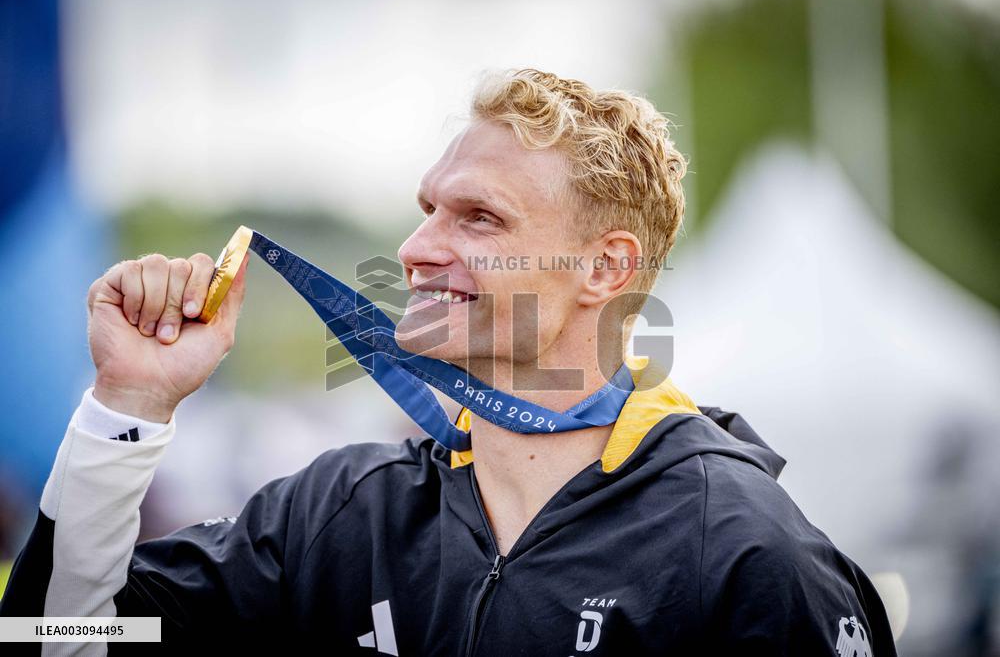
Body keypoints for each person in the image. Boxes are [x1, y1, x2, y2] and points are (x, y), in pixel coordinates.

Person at [0, 68, 896, 655]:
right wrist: (129, 401)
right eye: (428, 209)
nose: (417, 248)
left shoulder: (740, 551)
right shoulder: (342, 515)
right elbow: (58, 638)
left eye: (479, 218)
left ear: (605, 269)